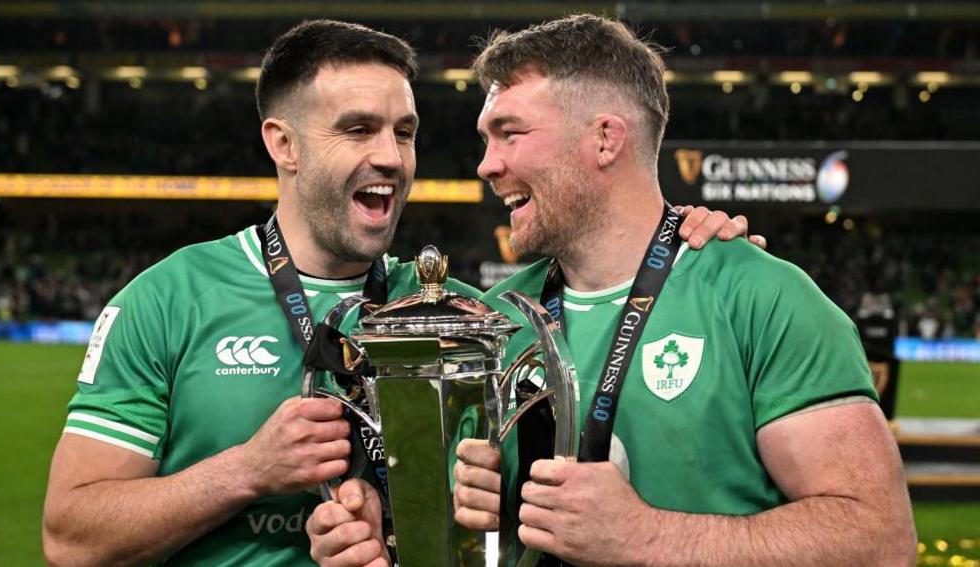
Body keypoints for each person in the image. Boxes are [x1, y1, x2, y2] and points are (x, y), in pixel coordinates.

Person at [41, 18, 750, 567]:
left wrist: (694, 248)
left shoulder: (472, 314)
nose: (391, 156)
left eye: (404, 132)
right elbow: (71, 537)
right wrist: (248, 470)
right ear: (283, 144)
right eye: (358, 128)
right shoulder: (168, 300)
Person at [313, 14, 916, 567]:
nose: (487, 165)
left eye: (510, 133)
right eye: (486, 139)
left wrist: (647, 536)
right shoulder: (491, 321)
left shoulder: (761, 298)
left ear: (605, 139)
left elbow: (881, 539)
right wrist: (391, 531)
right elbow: (470, 537)